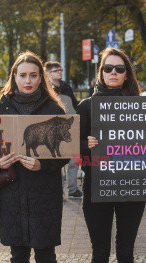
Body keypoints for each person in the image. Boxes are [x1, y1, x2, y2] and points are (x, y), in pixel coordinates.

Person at [0, 51, 68, 263]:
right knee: (18, 256)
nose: (28, 80)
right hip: (12, 194)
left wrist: (43, 165)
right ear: (14, 78)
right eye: (23, 75)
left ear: (40, 78)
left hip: (44, 192)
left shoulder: (55, 110)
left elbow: (65, 152)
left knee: (45, 255)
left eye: (33, 75)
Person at [77, 47, 145, 263]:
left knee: (126, 252)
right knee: (100, 252)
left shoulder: (141, 105)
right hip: (96, 189)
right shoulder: (86, 106)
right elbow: (70, 148)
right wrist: (84, 144)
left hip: (132, 188)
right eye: (108, 68)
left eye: (119, 68)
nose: (113, 73)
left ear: (127, 73)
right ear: (100, 72)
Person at [44, 61, 82, 199]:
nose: (59, 72)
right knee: (56, 162)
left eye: (60, 69)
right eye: (55, 70)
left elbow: (76, 104)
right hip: (54, 130)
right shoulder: (45, 89)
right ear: (48, 73)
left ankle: (73, 189)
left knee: (74, 160)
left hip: (71, 127)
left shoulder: (66, 87)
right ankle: (58, 192)